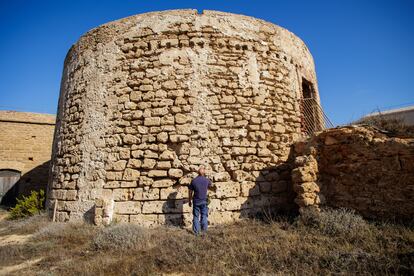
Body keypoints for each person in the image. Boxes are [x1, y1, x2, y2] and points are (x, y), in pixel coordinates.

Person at [188, 166, 214, 235]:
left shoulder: (193, 181)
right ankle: (204, 231)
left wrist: (189, 200)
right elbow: (211, 185)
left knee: (196, 216)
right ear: (203, 173)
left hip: (196, 201)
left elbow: (190, 192)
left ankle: (196, 233)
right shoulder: (206, 180)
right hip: (204, 201)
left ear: (197, 173)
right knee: (204, 215)